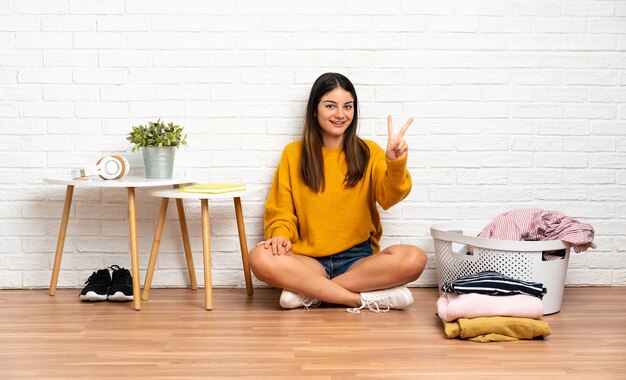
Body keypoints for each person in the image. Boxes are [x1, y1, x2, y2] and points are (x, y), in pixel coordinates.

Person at [248, 72, 427, 314]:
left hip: (358, 262)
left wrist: (395, 163)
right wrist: (279, 234)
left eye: (348, 107)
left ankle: (309, 293)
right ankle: (357, 299)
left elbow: (389, 198)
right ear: (315, 110)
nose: (340, 114)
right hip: (309, 262)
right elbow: (281, 211)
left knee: (415, 258)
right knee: (259, 257)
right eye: (330, 106)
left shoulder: (369, 152)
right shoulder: (293, 154)